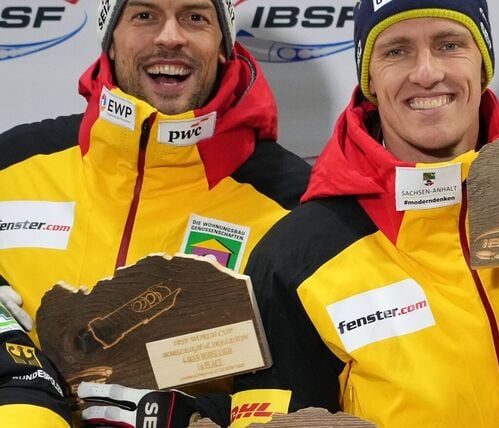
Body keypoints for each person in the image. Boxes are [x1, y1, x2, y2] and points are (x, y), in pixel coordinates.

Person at [197, 0, 499, 426]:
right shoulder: (297, 257)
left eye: (449, 44)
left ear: (482, 64)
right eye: (396, 51)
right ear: (370, 81)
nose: (427, 73)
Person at [0, 0, 309, 423]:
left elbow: (305, 386)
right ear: (110, 40)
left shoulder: (291, 201)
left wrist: (193, 417)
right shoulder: (13, 162)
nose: (170, 36)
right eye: (144, 15)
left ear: (223, 46)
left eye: (195, 17)